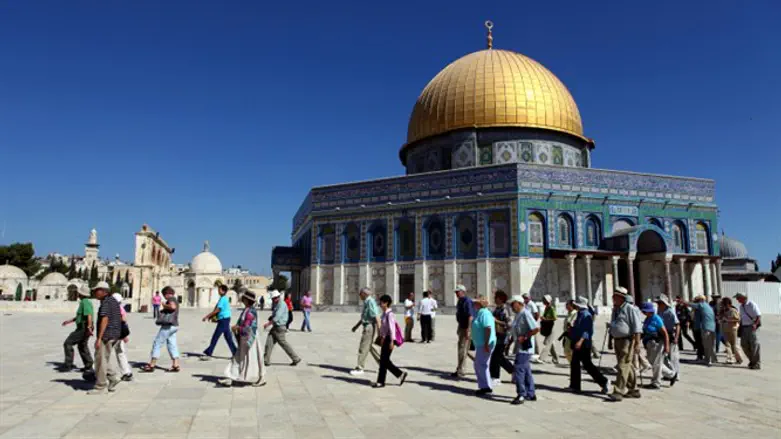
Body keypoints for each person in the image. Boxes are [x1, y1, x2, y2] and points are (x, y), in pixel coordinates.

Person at [220, 289, 266, 387]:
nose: (242, 300)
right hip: (245, 338)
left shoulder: (251, 312)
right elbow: (241, 322)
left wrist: (237, 328)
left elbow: (247, 327)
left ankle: (261, 377)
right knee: (238, 358)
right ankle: (231, 377)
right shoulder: (246, 310)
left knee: (255, 358)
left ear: (247, 300)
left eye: (244, 299)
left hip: (250, 339)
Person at [568, 297, 609, 395]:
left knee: (587, 365)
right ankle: (575, 386)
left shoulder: (586, 315)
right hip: (577, 342)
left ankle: (603, 381)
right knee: (575, 364)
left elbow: (587, 330)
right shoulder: (580, 314)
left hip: (583, 344)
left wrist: (580, 341)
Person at [607, 287, 642, 402]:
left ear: (622, 298)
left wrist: (637, 343)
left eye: (615, 296)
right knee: (626, 364)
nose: (613, 298)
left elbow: (637, 327)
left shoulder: (629, 309)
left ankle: (618, 391)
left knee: (623, 365)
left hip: (627, 340)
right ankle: (634, 389)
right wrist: (610, 339)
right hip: (618, 340)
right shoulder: (616, 310)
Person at [87, 282, 122, 395]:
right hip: (115, 334)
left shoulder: (106, 302)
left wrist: (99, 338)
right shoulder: (113, 301)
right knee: (104, 359)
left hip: (106, 335)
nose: (95, 293)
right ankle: (112, 378)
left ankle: (100, 386)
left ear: (104, 291)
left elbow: (105, 319)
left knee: (100, 360)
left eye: (97, 290)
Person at [141, 286, 181, 373]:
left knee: (157, 343)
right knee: (172, 344)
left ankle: (152, 364)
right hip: (174, 325)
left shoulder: (171, 298)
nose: (164, 297)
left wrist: (164, 305)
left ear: (167, 294)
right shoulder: (175, 299)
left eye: (164, 295)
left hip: (168, 326)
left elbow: (172, 307)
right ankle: (176, 364)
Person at [507, 295, 538, 404]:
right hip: (520, 346)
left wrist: (524, 337)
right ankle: (531, 393)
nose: (511, 306)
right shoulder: (518, 315)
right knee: (526, 370)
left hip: (525, 347)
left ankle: (521, 394)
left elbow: (535, 328)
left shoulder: (525, 313)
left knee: (519, 369)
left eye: (513, 304)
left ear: (519, 303)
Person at [374, 294, 409, 388]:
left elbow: (392, 328)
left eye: (381, 302)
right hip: (385, 339)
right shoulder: (384, 314)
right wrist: (381, 337)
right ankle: (400, 374)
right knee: (384, 361)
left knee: (383, 361)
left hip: (390, 339)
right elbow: (383, 328)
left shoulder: (390, 314)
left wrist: (392, 341)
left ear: (386, 303)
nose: (380, 304)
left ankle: (381, 381)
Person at [60, 285, 94, 373]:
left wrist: (89, 327)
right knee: (82, 346)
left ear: (82, 294)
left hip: (84, 327)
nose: (78, 294)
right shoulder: (84, 302)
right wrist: (69, 321)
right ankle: (88, 365)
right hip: (84, 326)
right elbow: (80, 316)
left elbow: (89, 315)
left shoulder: (85, 302)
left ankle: (68, 365)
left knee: (68, 343)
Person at [640, 302, 673, 389]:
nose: (643, 312)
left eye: (645, 311)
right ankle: (671, 374)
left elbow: (665, 333)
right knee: (653, 362)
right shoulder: (647, 318)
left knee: (656, 363)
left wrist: (667, 346)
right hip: (649, 343)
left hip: (657, 343)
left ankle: (656, 383)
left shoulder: (656, 318)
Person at [263, 290, 302, 366]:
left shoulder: (281, 304)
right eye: (273, 298)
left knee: (284, 344)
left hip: (280, 328)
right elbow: (275, 315)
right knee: (269, 343)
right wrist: (271, 317)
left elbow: (277, 317)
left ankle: (295, 358)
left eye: (275, 298)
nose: (273, 300)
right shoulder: (277, 304)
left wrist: (268, 324)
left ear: (278, 297)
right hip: (275, 327)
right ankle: (266, 360)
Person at [349, 288, 381, 375]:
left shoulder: (370, 301)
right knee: (369, 346)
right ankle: (382, 363)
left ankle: (360, 368)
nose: (359, 296)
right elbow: (365, 317)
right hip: (368, 325)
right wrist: (356, 326)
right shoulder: (367, 302)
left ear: (364, 294)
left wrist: (380, 332)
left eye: (360, 294)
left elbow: (376, 316)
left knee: (363, 347)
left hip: (369, 327)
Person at [201, 284, 237, 360]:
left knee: (215, 337)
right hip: (225, 319)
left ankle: (209, 353)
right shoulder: (224, 298)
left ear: (223, 291)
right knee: (228, 337)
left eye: (219, 290)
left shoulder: (223, 299)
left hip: (224, 320)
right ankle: (236, 353)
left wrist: (207, 316)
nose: (218, 291)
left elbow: (217, 310)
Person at [471, 296, 496, 396]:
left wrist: (486, 343)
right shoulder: (479, 313)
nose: (473, 305)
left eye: (475, 303)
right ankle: (485, 385)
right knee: (480, 364)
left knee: (481, 364)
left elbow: (488, 328)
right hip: (481, 343)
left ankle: (486, 387)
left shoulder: (484, 313)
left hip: (485, 344)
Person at [490, 290, 514, 385]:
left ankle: (496, 377)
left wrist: (496, 321)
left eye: (496, 298)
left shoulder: (505, 309)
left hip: (503, 336)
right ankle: (512, 370)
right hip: (496, 335)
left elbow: (509, 324)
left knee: (497, 356)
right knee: (496, 356)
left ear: (500, 299)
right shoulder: (497, 308)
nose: (494, 299)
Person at [656, 295, 680, 385]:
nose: (658, 305)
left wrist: (676, 337)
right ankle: (668, 374)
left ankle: (676, 374)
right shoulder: (659, 311)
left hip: (671, 334)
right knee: (664, 356)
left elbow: (677, 324)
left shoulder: (670, 312)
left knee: (673, 356)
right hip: (662, 335)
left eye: (660, 303)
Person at [452, 285, 474, 378]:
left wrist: (468, 329)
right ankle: (460, 368)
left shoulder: (467, 301)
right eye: (456, 292)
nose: (456, 294)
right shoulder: (460, 301)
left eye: (458, 292)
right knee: (462, 349)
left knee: (463, 349)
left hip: (466, 328)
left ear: (463, 291)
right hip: (461, 327)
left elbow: (470, 316)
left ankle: (461, 370)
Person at [735, 293, 761, 370]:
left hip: (751, 326)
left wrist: (755, 325)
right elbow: (742, 318)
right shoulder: (741, 306)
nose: (737, 300)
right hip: (744, 327)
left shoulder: (751, 304)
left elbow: (758, 315)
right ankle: (752, 360)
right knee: (744, 345)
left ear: (742, 298)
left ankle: (756, 363)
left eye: (738, 298)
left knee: (754, 345)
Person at [690, 295, 717, 366]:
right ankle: (713, 358)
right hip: (711, 327)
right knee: (710, 345)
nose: (695, 301)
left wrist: (682, 301)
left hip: (704, 328)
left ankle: (708, 360)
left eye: (696, 300)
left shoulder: (700, 306)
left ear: (701, 300)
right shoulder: (708, 306)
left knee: (706, 345)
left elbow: (691, 306)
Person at [112, 293, 133, 382]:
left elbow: (123, 320)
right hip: (119, 334)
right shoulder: (120, 308)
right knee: (120, 352)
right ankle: (126, 372)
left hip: (114, 334)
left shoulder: (115, 309)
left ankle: (94, 370)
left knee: (103, 353)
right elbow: (124, 321)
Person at [719, 297, 742, 365]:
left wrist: (728, 320)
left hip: (733, 329)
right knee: (727, 345)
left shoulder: (733, 310)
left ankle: (739, 358)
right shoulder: (723, 311)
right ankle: (730, 359)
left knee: (734, 345)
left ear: (729, 304)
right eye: (723, 304)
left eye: (724, 304)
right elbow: (720, 317)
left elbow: (738, 320)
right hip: (725, 329)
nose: (723, 306)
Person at [538, 294, 559, 364]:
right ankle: (556, 358)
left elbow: (555, 318)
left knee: (547, 343)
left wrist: (546, 319)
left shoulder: (551, 308)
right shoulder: (546, 308)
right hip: (547, 328)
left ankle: (542, 358)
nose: (543, 301)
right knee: (550, 344)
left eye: (544, 300)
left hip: (551, 328)